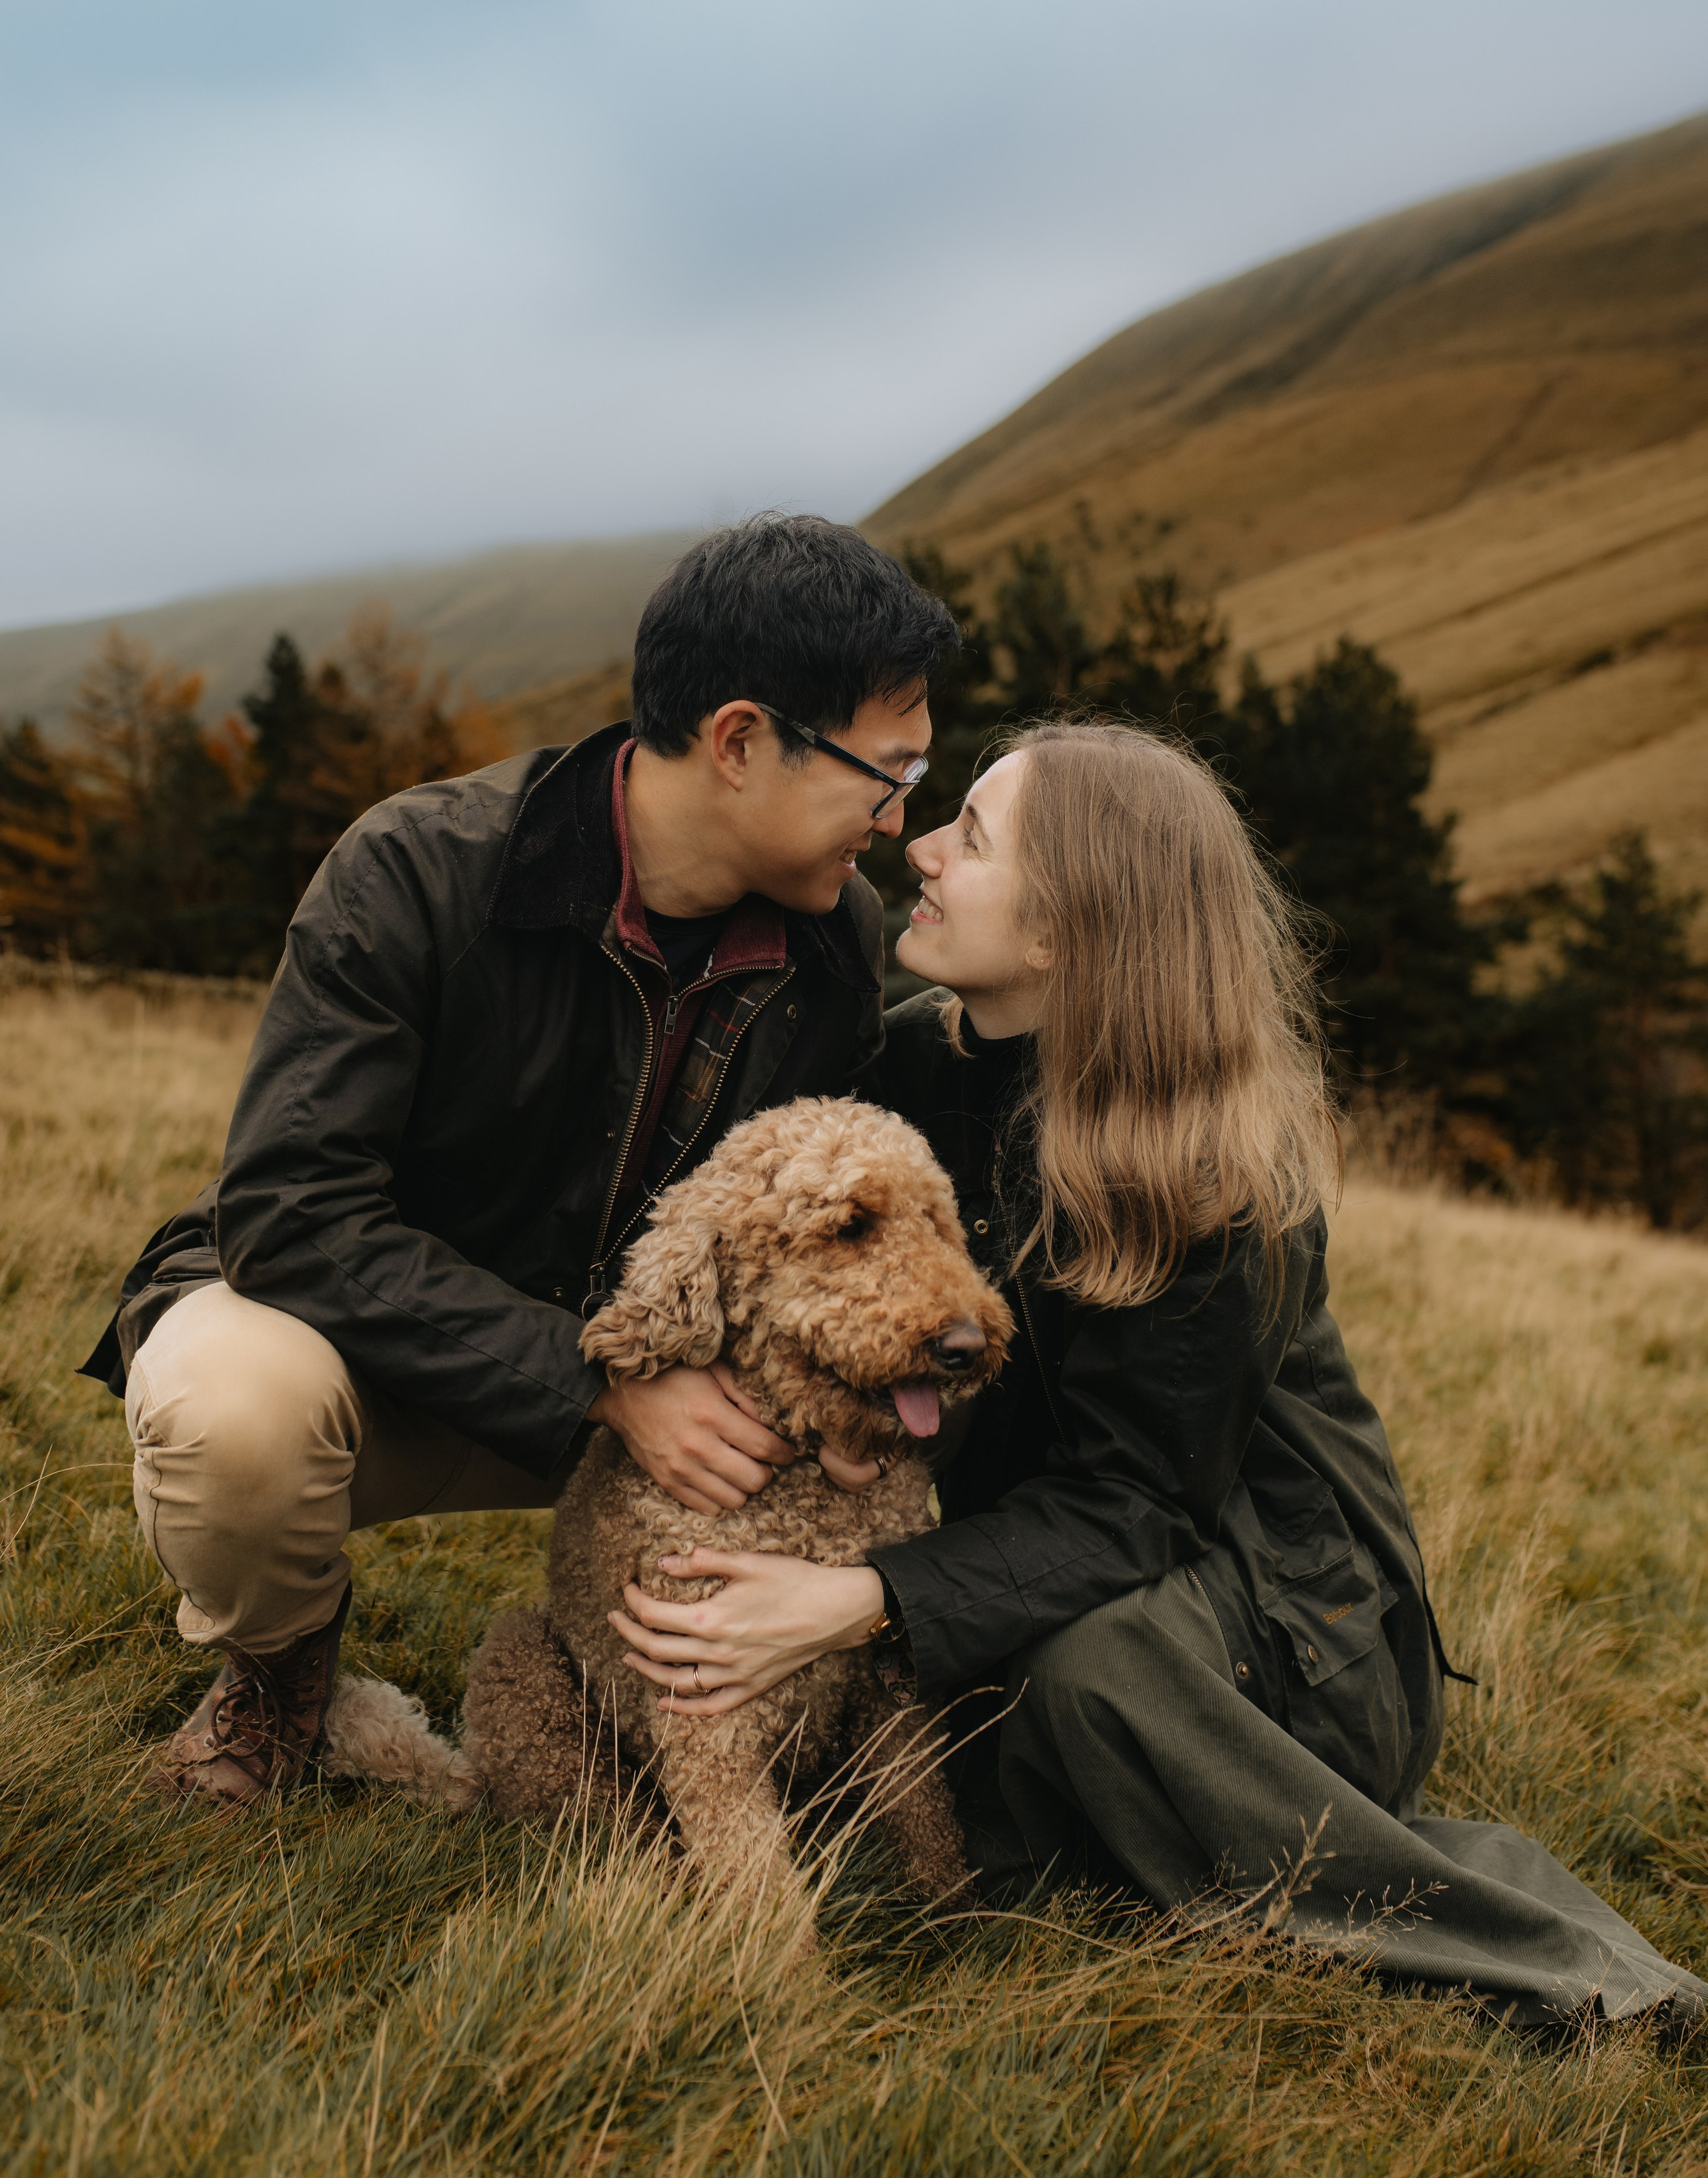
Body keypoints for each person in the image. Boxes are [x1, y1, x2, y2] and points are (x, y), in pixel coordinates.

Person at [612, 720, 1705, 2025]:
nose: (918, 850)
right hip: (1044, 1556)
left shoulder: (1207, 1172)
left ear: (1065, 932)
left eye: (971, 839)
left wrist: (849, 1598)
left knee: (1084, 1671)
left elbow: (1134, 1509)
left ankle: (1581, 1979)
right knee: (954, 1751)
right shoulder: (915, 1061)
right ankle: (1116, 1828)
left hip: (1283, 1612)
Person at [83, 514, 957, 1808]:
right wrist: (595, 1384)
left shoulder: (838, 941)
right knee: (232, 1415)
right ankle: (279, 1679)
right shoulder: (415, 869)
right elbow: (289, 1213)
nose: (898, 821)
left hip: (652, 1385)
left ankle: (742, 1725)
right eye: (883, 774)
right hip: (365, 1349)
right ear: (737, 741)